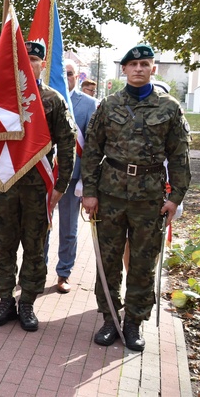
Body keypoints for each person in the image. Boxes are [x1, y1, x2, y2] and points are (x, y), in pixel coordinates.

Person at [82, 44, 191, 352]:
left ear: (153, 68)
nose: (140, 69)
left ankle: (133, 323)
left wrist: (176, 197)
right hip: (110, 194)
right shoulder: (108, 105)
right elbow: (92, 151)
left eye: (145, 64)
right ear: (124, 70)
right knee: (109, 260)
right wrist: (89, 192)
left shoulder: (169, 108)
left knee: (143, 262)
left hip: (150, 197)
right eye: (134, 65)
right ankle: (109, 319)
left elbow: (180, 155)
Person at [0, 41, 76, 331]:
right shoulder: (1, 98)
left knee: (35, 246)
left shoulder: (52, 99)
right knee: (6, 245)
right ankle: (4, 300)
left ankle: (27, 303)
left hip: (38, 185)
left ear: (42, 65)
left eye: (34, 59)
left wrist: (62, 185)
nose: (29, 63)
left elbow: (66, 143)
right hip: (6, 183)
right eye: (25, 59)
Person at [45, 61, 98, 293]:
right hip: (45, 175)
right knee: (41, 226)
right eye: (60, 73)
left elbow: (93, 148)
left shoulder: (89, 105)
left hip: (72, 178)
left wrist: (87, 183)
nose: (65, 77)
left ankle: (63, 273)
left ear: (78, 76)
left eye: (69, 73)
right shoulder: (43, 99)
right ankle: (38, 270)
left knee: (68, 229)